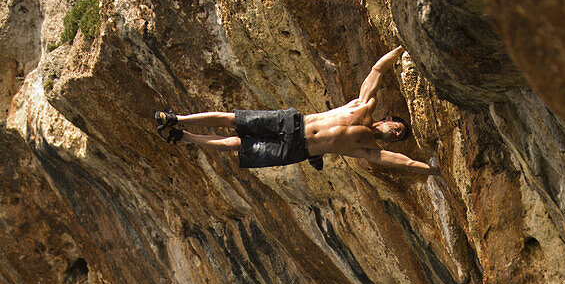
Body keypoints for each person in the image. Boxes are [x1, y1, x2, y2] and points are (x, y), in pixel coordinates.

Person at [155, 47, 439, 177]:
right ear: (388, 120)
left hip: (297, 149)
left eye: (397, 136)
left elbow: (405, 163)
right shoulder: (363, 106)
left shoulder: (368, 149)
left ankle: (183, 137)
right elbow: (377, 70)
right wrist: (402, 48)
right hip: (293, 122)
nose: (395, 133)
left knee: (237, 145)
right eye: (397, 128)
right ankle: (176, 118)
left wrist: (432, 171)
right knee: (233, 119)